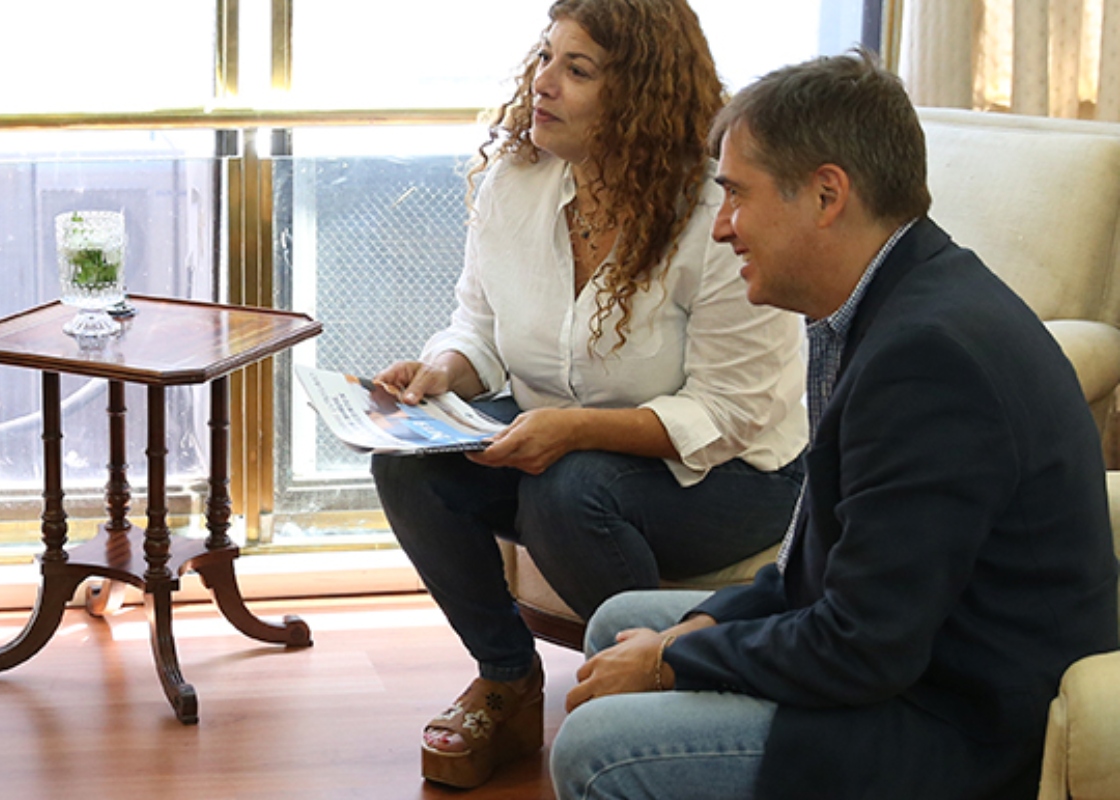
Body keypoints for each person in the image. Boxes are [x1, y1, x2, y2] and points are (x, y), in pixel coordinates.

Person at [552, 52, 1120, 800]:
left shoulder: (928, 362)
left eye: (736, 195)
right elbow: (814, 567)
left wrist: (670, 661)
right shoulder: (888, 303)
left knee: (596, 751)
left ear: (826, 195)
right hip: (914, 658)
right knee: (618, 625)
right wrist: (694, 635)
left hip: (958, 721)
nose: (721, 228)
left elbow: (863, 646)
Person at [367, 0, 808, 789]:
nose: (543, 83)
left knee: (566, 489)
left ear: (641, 95)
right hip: (563, 444)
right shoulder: (516, 180)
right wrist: (443, 372)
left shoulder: (716, 212)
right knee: (408, 461)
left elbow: (730, 413)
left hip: (737, 475)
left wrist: (571, 430)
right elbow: (479, 325)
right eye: (546, 58)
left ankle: (665, 688)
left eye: (577, 70)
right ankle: (507, 680)